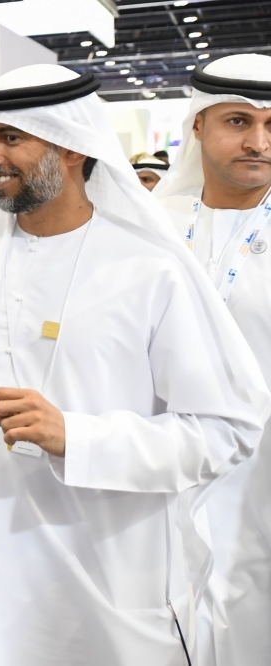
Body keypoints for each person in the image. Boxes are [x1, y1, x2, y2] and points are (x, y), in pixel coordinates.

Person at [0, 64, 269, 666]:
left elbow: (227, 429)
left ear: (72, 147)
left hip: (110, 588)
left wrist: (77, 438)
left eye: (11, 138)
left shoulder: (148, 268)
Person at [152, 53, 271, 666]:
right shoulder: (149, 230)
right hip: (160, 471)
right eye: (238, 122)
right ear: (197, 126)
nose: (258, 142)